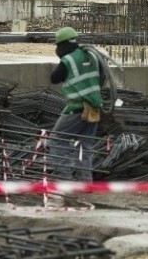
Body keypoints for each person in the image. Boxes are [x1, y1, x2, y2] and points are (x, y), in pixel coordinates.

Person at [49, 27, 102, 192]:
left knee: (57, 140)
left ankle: (66, 181)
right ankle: (86, 183)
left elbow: (54, 78)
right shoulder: (92, 55)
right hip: (93, 109)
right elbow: (102, 75)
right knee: (85, 146)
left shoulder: (68, 60)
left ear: (62, 44)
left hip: (76, 108)